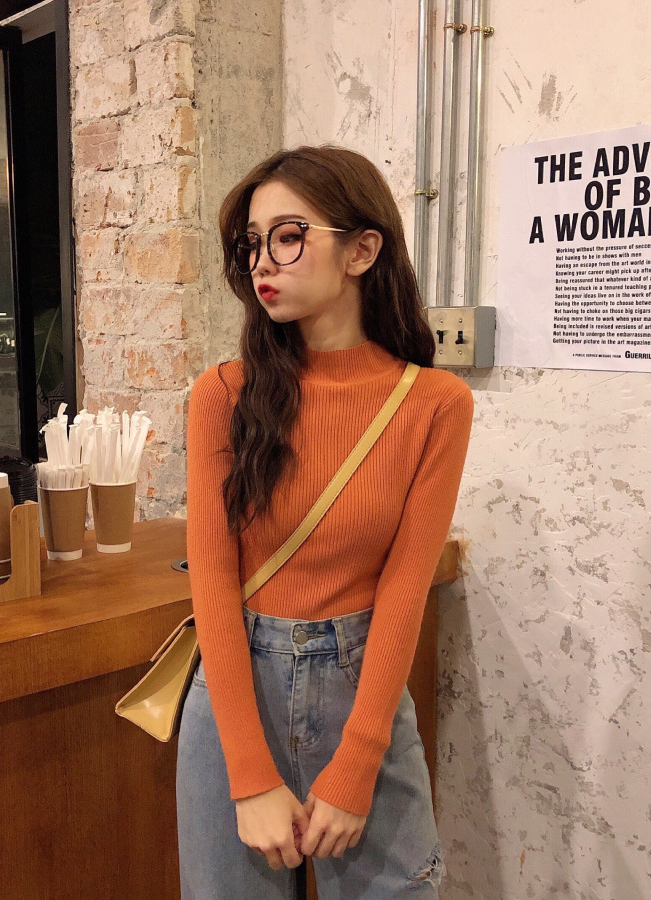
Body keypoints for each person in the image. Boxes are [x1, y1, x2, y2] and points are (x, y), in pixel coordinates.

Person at [177, 144, 474, 899]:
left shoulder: (434, 403)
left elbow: (405, 585)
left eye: (289, 236)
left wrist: (359, 761)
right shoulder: (223, 395)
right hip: (237, 700)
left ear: (362, 251)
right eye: (253, 242)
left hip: (362, 692)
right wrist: (250, 775)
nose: (262, 262)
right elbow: (213, 578)